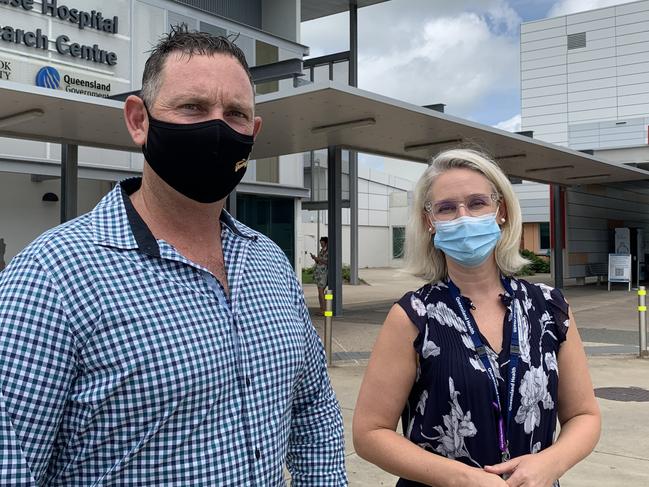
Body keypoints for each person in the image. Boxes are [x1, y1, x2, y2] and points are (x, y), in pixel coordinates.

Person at [0, 28, 346, 486]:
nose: (218, 129)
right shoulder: (51, 277)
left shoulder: (269, 263)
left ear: (253, 132)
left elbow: (313, 409)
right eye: (193, 108)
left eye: (236, 114)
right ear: (138, 120)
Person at [353, 148, 600, 487]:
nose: (463, 216)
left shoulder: (550, 309)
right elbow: (370, 433)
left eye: (477, 203)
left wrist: (551, 464)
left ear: (500, 211)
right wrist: (461, 479)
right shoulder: (412, 317)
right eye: (447, 208)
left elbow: (584, 416)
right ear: (429, 221)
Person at [311, 236, 329, 313]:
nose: (321, 245)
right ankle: (322, 308)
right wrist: (315, 258)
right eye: (320, 243)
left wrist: (318, 259)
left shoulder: (328, 252)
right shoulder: (321, 251)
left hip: (324, 274)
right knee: (319, 292)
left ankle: (324, 309)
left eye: (322, 243)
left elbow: (327, 262)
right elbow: (319, 261)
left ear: (326, 243)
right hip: (319, 274)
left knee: (321, 291)